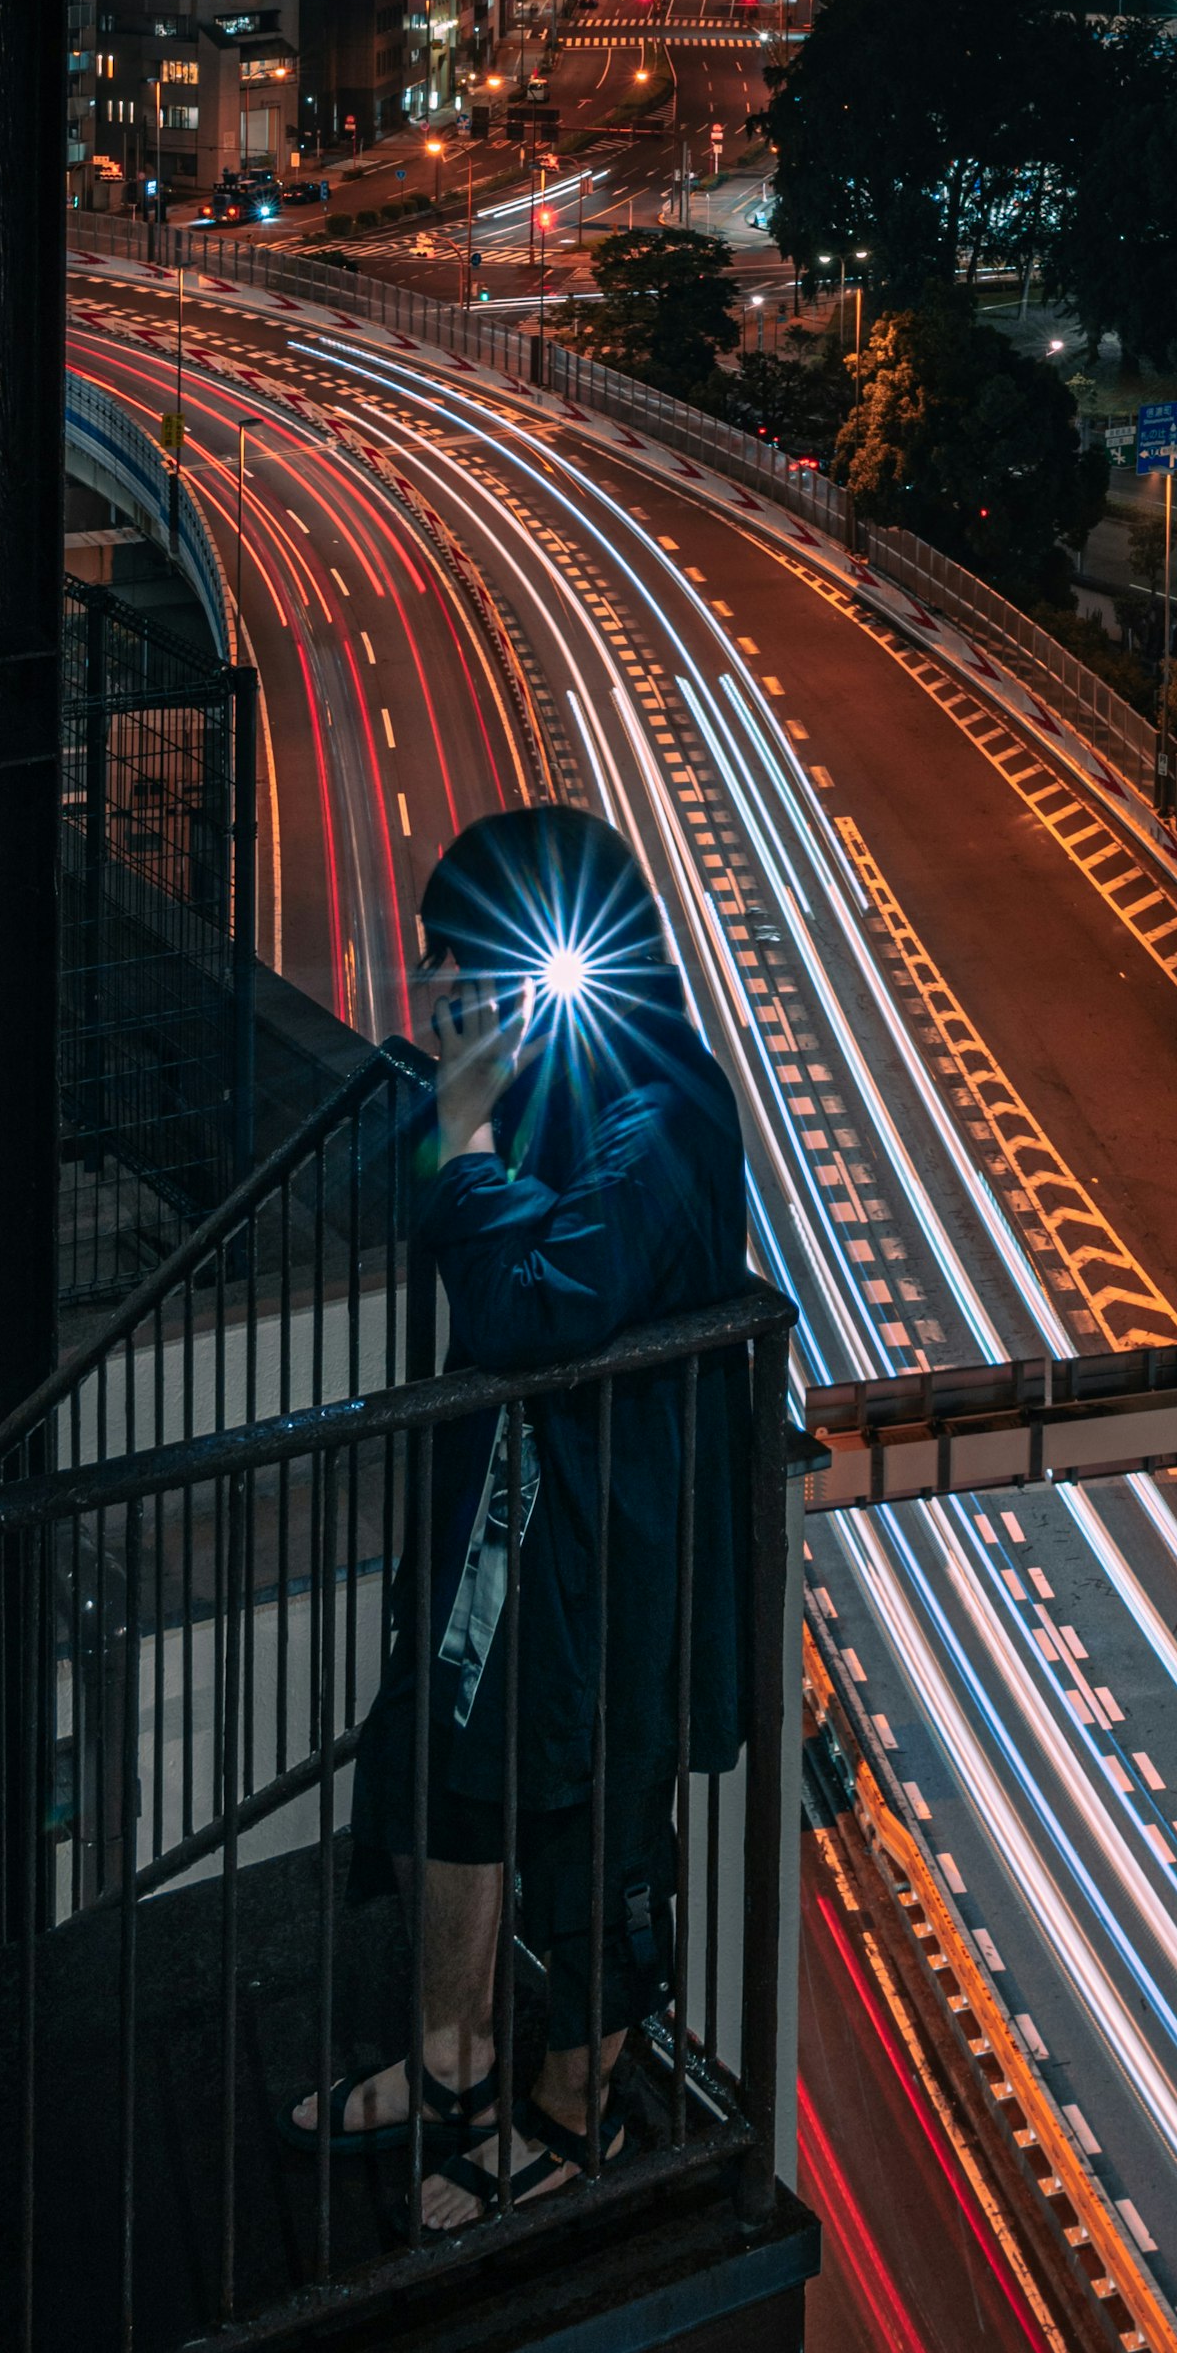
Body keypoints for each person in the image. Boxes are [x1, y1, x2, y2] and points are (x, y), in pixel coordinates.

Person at [284, 798, 751, 2222]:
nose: (449, 994)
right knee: (446, 1784)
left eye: (464, 965)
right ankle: (451, 2073)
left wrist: (471, 1141)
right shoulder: (530, 1081)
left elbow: (535, 1304)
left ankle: (561, 2122)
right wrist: (459, 1112)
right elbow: (414, 1203)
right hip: (502, 1534)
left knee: (596, 1832)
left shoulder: (661, 1105)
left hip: (606, 1544)